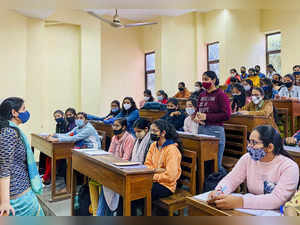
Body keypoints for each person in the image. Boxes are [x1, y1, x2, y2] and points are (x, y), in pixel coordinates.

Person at [208, 125, 299, 210]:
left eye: (254, 143)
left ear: (270, 147)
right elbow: (231, 180)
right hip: (253, 210)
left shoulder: (289, 167)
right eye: (249, 141)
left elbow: (277, 199)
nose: (249, 146)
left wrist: (241, 202)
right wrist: (219, 192)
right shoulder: (248, 158)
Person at [0, 97, 44, 216]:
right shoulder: (8, 132)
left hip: (21, 189)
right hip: (18, 195)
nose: (26, 112)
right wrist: (4, 202)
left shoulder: (10, 130)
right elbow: (4, 169)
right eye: (23, 109)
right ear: (14, 113)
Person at [96, 118, 135, 216]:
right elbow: (110, 154)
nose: (114, 127)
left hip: (124, 170)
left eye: (117, 126)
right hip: (114, 167)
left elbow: (125, 159)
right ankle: (104, 214)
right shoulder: (114, 137)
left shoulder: (129, 138)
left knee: (107, 183)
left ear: (124, 127)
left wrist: (112, 164)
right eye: (113, 125)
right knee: (104, 181)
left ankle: (102, 214)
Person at [195, 71, 231, 172]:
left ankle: (227, 185)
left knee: (215, 166)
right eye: (202, 79)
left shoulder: (221, 95)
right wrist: (197, 117)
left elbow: (226, 115)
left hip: (215, 131)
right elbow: (198, 110)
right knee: (203, 164)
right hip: (201, 129)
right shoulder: (201, 95)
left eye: (206, 79)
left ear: (214, 80)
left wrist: (206, 117)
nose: (203, 82)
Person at [42, 110, 68, 185]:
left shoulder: (66, 124)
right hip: (58, 144)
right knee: (48, 156)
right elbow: (57, 134)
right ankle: (47, 176)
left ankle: (46, 177)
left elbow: (65, 136)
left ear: (63, 116)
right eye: (55, 117)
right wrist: (51, 136)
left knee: (52, 157)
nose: (57, 118)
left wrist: (55, 138)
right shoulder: (58, 125)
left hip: (64, 146)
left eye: (58, 116)